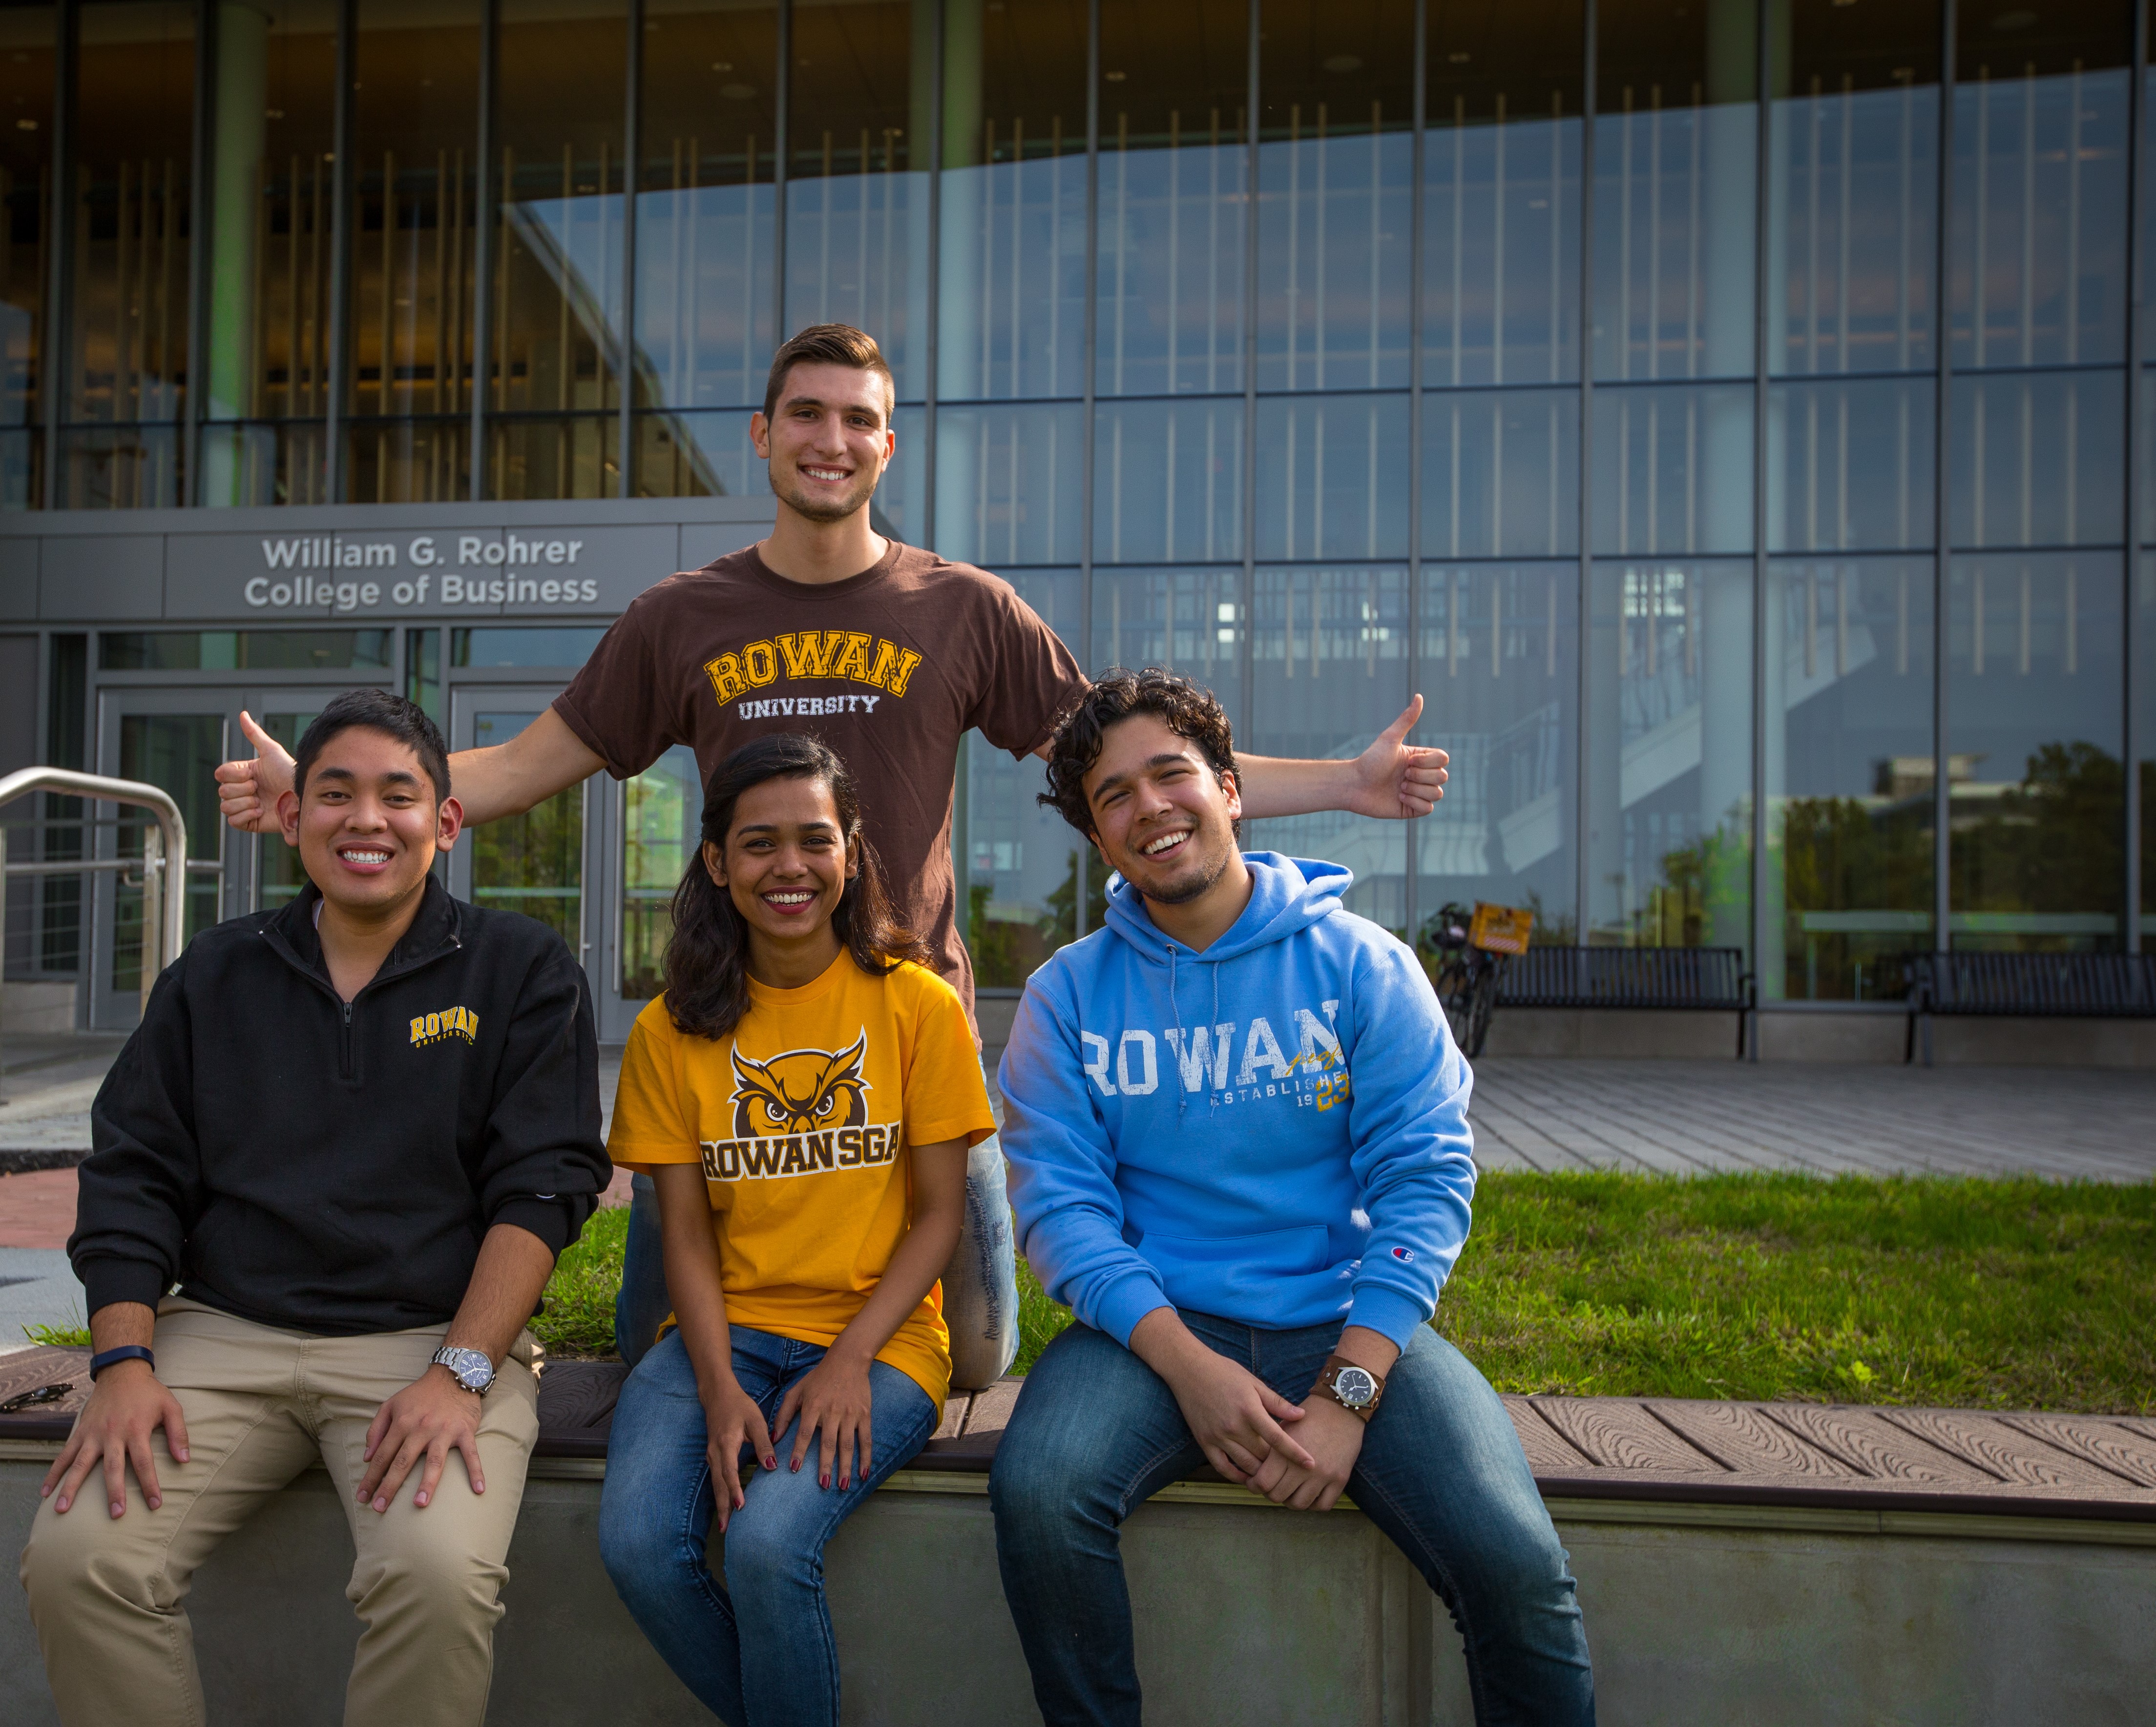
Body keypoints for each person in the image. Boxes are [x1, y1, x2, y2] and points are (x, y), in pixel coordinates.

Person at [209, 323, 1451, 1391]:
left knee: (973, 1361)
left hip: (915, 1038)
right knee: (663, 1354)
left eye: (859, 419)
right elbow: (526, 764)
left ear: (886, 447)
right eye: (806, 413)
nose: (832, 438)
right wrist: (356, 804)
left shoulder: (963, 608)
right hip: (729, 1032)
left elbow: (1139, 767)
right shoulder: (681, 617)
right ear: (763, 434)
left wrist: (1345, 781)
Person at [988, 668, 1594, 1727]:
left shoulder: (1365, 965)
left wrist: (1351, 1391)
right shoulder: (1066, 996)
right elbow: (1062, 1213)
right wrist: (1192, 1369)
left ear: (1230, 788)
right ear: (1097, 833)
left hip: (1347, 1317)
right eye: (1114, 795)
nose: (1149, 808)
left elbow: (1427, 1177)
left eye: (1171, 774)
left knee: (1519, 1566)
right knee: (1038, 1495)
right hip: (1153, 1331)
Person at [20, 689, 610, 1727]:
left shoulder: (523, 969)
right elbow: (133, 1172)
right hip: (223, 1336)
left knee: (433, 1578)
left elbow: (545, 1186)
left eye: (399, 795)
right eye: (334, 793)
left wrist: (460, 1371)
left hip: (432, 1339)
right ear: (293, 817)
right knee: (81, 1559)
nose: (366, 820)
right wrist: (121, 1360)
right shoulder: (217, 970)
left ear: (447, 821)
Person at [596, 731, 994, 1727]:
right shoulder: (668, 1030)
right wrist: (721, 1380)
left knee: (772, 1542)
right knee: (641, 1545)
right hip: (721, 1335)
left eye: (815, 839)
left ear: (851, 852)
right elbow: (682, 1234)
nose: (790, 868)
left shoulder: (917, 1006)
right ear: (717, 862)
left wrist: (853, 1360)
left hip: (883, 1341)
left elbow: (942, 1214)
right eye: (760, 843)